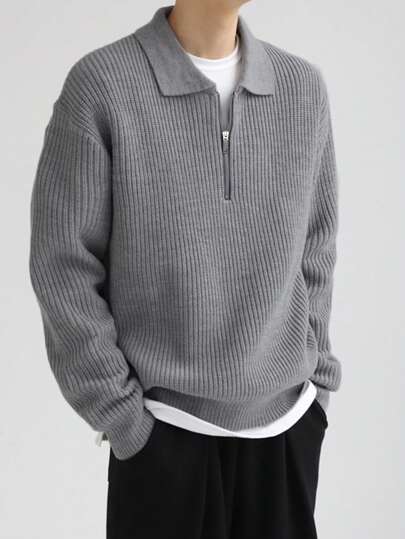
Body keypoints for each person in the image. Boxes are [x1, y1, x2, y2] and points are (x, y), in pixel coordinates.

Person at [29, 1, 342, 538]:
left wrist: (317, 392)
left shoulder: (302, 90)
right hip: (163, 442)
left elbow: (316, 249)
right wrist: (124, 419)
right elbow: (63, 265)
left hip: (286, 437)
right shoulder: (103, 86)